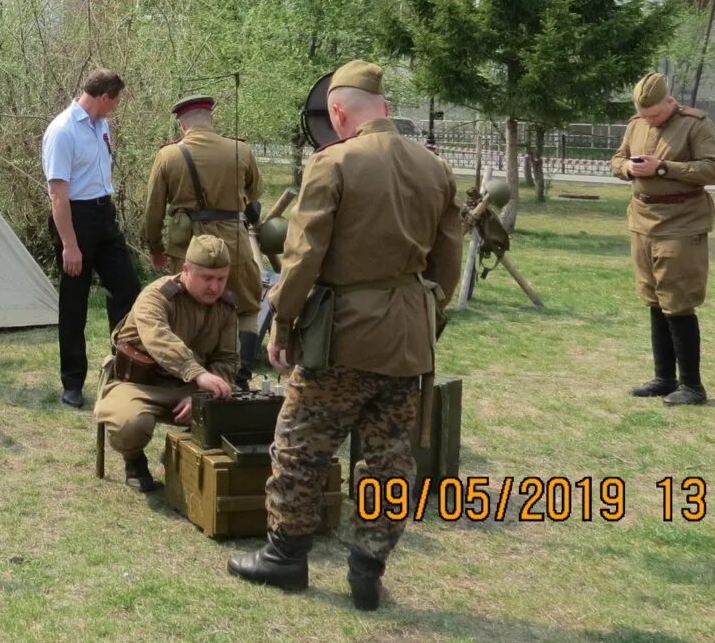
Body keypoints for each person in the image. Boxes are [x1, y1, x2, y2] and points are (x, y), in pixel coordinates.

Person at [229, 60, 462, 611]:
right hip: (409, 337)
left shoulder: (333, 163)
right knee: (388, 458)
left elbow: (303, 254)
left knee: (300, 445)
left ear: (337, 111)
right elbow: (448, 264)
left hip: (343, 336)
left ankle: (285, 557)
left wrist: (282, 322)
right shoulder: (435, 168)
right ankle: (368, 567)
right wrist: (427, 315)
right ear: (383, 107)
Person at [607, 72, 715, 406]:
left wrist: (662, 168)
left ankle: (691, 385)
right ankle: (664, 378)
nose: (650, 120)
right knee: (654, 299)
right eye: (644, 115)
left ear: (669, 102)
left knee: (678, 301)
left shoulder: (696, 125)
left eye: (655, 115)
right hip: (642, 221)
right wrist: (629, 169)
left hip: (682, 223)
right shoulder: (636, 124)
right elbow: (617, 159)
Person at [93, 234, 240, 492]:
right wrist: (197, 374)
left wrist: (202, 395)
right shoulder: (156, 297)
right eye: (207, 278)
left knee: (242, 416)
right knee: (130, 425)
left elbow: (227, 359)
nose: (215, 287)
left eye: (221, 279)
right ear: (186, 270)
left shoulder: (225, 308)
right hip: (138, 385)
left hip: (190, 389)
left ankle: (181, 456)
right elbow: (158, 338)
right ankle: (134, 459)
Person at [141, 94, 264, 387]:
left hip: (188, 247)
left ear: (182, 125)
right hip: (235, 243)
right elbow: (255, 192)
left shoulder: (169, 156)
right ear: (212, 119)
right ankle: (241, 375)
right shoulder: (241, 150)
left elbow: (153, 211)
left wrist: (156, 248)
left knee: (186, 307)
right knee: (245, 308)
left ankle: (187, 376)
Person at [42, 67, 141, 410]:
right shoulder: (63, 131)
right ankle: (72, 382)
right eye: (115, 101)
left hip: (104, 214)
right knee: (74, 304)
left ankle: (123, 367)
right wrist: (70, 244)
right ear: (103, 97)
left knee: (128, 289)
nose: (116, 107)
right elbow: (58, 195)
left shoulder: (103, 125)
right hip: (75, 218)